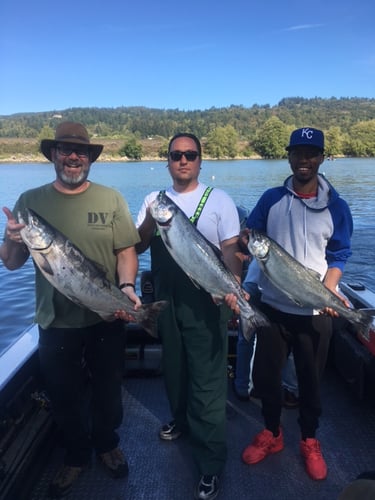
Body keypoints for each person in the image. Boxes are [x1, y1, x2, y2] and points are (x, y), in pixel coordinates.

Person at [0, 122, 142, 498]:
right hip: (55, 321)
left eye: (80, 151)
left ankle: (107, 445)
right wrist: (15, 238)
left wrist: (127, 288)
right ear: (53, 155)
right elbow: (12, 262)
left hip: (106, 315)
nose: (73, 157)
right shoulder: (29, 202)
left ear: (91, 158)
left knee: (109, 391)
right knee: (63, 394)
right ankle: (77, 456)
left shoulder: (111, 199)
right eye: (65, 149)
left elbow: (125, 252)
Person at [241, 127, 353, 481]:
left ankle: (308, 439)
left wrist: (331, 291)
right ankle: (272, 433)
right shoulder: (271, 198)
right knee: (265, 378)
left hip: (315, 311)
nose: (303, 160)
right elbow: (250, 233)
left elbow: (340, 253)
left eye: (311, 154)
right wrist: (246, 240)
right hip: (273, 307)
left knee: (310, 382)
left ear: (321, 158)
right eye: (297, 153)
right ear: (288, 156)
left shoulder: (337, 206)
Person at [136, 132, 242, 500]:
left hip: (207, 304)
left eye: (190, 154)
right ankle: (181, 421)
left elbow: (230, 250)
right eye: (176, 155)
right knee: (176, 370)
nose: (183, 160)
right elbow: (138, 244)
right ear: (167, 160)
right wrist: (151, 219)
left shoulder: (220, 201)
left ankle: (210, 464)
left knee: (208, 383)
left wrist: (232, 285)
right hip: (167, 301)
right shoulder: (154, 200)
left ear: (200, 160)